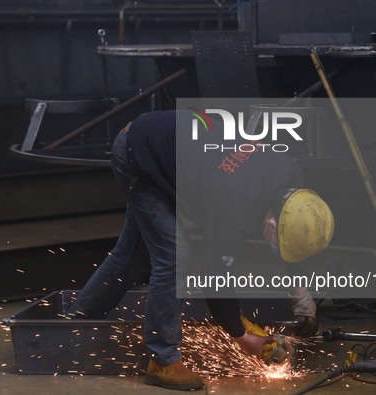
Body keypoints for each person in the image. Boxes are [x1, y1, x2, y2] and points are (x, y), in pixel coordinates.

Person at [67, 110, 334, 391]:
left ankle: (74, 323)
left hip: (171, 145)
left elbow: (297, 237)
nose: (277, 248)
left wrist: (301, 294)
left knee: (133, 257)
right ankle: (163, 360)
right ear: (270, 223)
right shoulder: (235, 205)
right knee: (174, 258)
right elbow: (214, 275)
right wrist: (241, 336)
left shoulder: (292, 180)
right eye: (277, 242)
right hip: (140, 153)